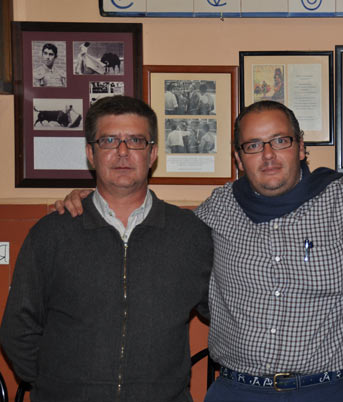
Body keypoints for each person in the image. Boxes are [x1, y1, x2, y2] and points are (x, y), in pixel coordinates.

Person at [54, 100, 343, 402]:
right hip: (239, 391)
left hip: (334, 390)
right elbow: (148, 238)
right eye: (254, 146)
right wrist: (87, 201)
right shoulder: (213, 212)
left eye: (280, 141)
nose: (268, 155)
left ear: (301, 147)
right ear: (238, 158)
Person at [0, 95, 213, 402]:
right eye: (109, 140)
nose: (123, 152)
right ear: (91, 153)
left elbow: (225, 313)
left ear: (152, 153)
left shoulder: (191, 234)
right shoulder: (52, 233)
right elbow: (18, 326)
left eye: (136, 141)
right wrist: (55, 383)